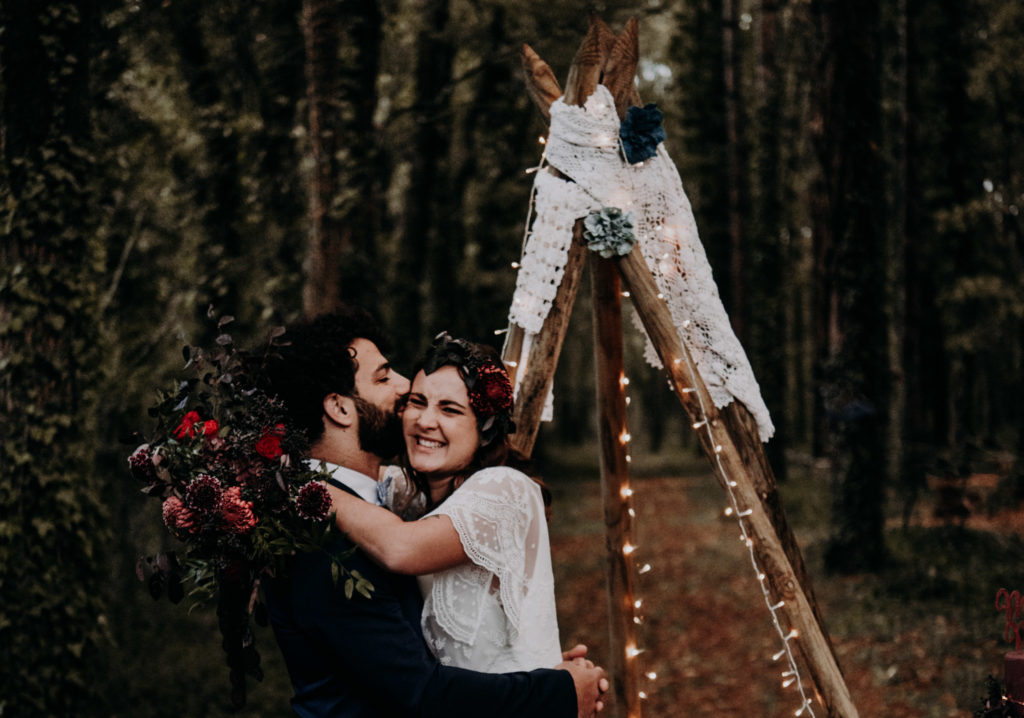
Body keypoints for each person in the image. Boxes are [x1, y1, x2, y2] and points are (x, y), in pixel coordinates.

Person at [261, 307, 606, 718]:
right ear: (339, 407)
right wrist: (557, 692)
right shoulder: (326, 533)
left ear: (484, 427)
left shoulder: (487, 490)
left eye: (450, 409)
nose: (404, 389)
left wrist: (529, 667)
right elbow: (421, 692)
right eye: (385, 378)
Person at [326, 333, 563, 673]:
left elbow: (400, 548)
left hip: (524, 696)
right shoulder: (408, 495)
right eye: (418, 402)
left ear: (485, 428)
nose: (425, 421)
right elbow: (351, 470)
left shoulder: (506, 489)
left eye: (449, 409)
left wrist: (311, 490)